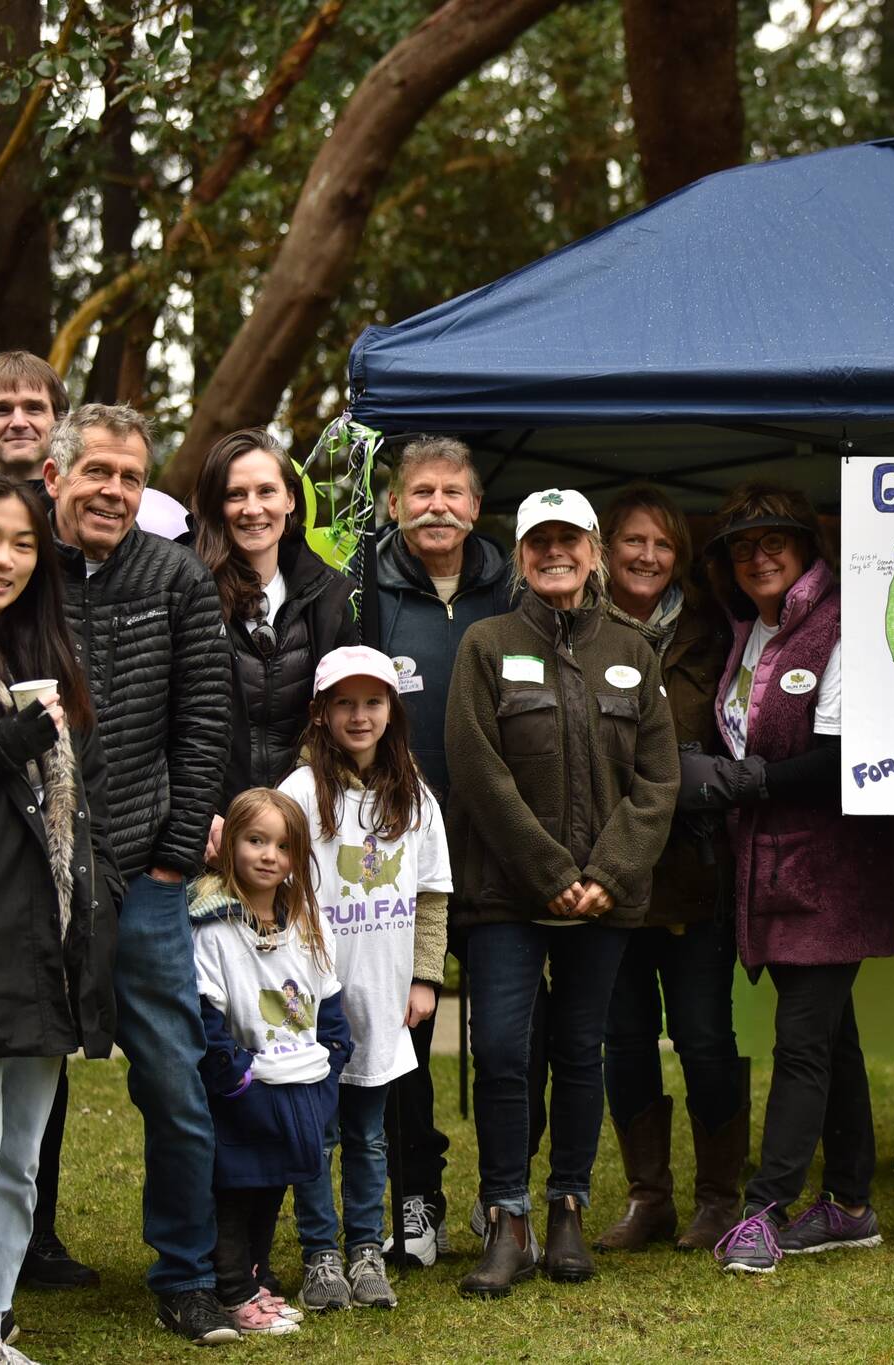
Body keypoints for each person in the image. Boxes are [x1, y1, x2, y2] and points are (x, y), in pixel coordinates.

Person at [445, 488, 679, 1296]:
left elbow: (658, 779)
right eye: (539, 540)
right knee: (502, 1049)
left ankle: (567, 1208)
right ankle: (506, 1220)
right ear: (521, 554)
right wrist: (551, 873)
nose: (555, 552)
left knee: (583, 1051)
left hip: (605, 901)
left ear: (593, 552)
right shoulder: (485, 643)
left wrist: (607, 875)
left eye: (569, 539)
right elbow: (476, 767)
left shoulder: (634, 649)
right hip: (506, 895)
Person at [42, 405, 235, 1344]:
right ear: (54, 476)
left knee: (174, 1081)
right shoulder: (15, 568)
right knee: (10, 1083)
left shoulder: (177, 575)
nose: (114, 491)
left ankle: (187, 1274)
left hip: (143, 875)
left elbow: (205, 724)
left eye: (130, 476)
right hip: (30, 874)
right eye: (97, 472)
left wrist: (170, 856)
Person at [700, 484, 894, 1278]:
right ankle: (850, 1204)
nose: (759, 556)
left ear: (806, 546)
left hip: (834, 870)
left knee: (802, 1042)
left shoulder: (840, 624)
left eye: (774, 541)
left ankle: (765, 1210)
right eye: (743, 546)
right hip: (773, 873)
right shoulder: (750, 632)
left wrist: (744, 781)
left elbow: (844, 759)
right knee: (830, 1038)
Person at [0, 476, 118, 1365]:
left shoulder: (50, 656)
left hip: (46, 944)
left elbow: (83, 806)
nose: (4, 559)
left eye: (22, 544)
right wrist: (4, 743)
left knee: (19, 1160)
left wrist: (102, 898)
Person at [365, 436, 513, 1268]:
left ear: (476, 506)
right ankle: (416, 1201)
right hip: (395, 852)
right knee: (402, 1039)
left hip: (497, 848)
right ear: (395, 504)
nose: (437, 506)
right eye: (421, 491)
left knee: (505, 1039)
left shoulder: (512, 585)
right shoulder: (364, 590)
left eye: (453, 492)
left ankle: (504, 1197)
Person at [591, 484, 745, 1255]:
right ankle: (648, 1198)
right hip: (607, 875)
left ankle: (719, 1199)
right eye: (634, 541)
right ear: (604, 549)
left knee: (705, 1037)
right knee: (623, 1040)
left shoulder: (715, 632)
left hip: (693, 872)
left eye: (663, 544)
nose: (648, 556)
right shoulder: (575, 628)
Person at [278, 647, 449, 1312]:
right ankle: (321, 1256)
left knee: (369, 1136)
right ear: (320, 712)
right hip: (313, 1001)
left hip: (382, 997)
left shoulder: (413, 795)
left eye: (373, 702)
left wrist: (425, 978)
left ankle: (366, 1250)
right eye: (345, 703)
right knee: (316, 1136)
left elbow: (431, 896)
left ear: (391, 710)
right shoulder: (298, 793)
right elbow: (273, 889)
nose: (360, 716)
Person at [190, 789, 350, 1337]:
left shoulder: (308, 923)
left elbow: (330, 1008)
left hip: (302, 1086)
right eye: (256, 840)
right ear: (230, 843)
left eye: (282, 846)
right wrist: (237, 1081)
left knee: (271, 1186)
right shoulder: (212, 927)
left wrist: (330, 1072)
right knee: (236, 1189)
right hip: (247, 1088)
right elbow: (207, 1018)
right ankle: (234, 1291)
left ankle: (254, 1278)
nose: (268, 855)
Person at [192, 429, 357, 802]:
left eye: (266, 491)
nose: (253, 509)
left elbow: (348, 717)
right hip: (211, 820)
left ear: (290, 499)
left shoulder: (329, 597)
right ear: (216, 504)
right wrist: (198, 818)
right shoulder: (185, 591)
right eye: (235, 494)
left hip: (304, 816)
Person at [0, 352, 67, 487]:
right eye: (2, 410)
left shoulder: (85, 495)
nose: (19, 423)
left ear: (59, 422)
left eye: (34, 408)